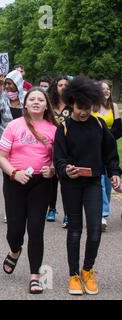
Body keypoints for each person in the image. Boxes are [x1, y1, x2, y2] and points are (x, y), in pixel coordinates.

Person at [54, 76, 120, 296]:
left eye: (88, 108)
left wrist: (115, 174)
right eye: (81, 108)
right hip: (71, 185)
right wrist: (66, 169)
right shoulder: (63, 128)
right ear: (72, 102)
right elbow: (58, 159)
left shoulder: (99, 125)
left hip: (93, 184)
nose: (84, 112)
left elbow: (110, 155)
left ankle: (87, 270)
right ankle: (73, 274)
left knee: (94, 231)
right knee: (74, 231)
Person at [0, 88, 57, 294]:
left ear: (46, 105)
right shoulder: (14, 126)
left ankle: (35, 276)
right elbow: (0, 156)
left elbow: (58, 158)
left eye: (41, 99)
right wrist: (14, 173)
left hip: (41, 185)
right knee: (14, 231)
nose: (36, 102)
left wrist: (53, 169)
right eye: (32, 99)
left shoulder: (53, 129)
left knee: (36, 229)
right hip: (15, 182)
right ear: (25, 103)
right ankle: (15, 251)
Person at [0, 70, 25, 223]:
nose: (8, 87)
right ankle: (9, 209)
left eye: (10, 83)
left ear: (17, 84)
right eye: (6, 83)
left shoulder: (26, 98)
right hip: (7, 145)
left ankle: (23, 207)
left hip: (24, 145)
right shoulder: (3, 97)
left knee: (23, 175)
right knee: (9, 177)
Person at [92, 80, 121, 231]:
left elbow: (118, 128)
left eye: (108, 89)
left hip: (109, 146)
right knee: (99, 180)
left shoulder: (113, 106)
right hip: (94, 148)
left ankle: (104, 211)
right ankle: (101, 214)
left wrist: (107, 136)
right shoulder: (92, 107)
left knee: (109, 182)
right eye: (103, 89)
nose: (106, 91)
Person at [46, 76, 71, 226]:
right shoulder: (50, 105)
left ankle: (69, 212)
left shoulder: (73, 104)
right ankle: (52, 208)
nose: (62, 87)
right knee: (51, 180)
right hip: (51, 145)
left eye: (65, 85)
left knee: (66, 180)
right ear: (55, 87)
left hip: (68, 147)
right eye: (59, 84)